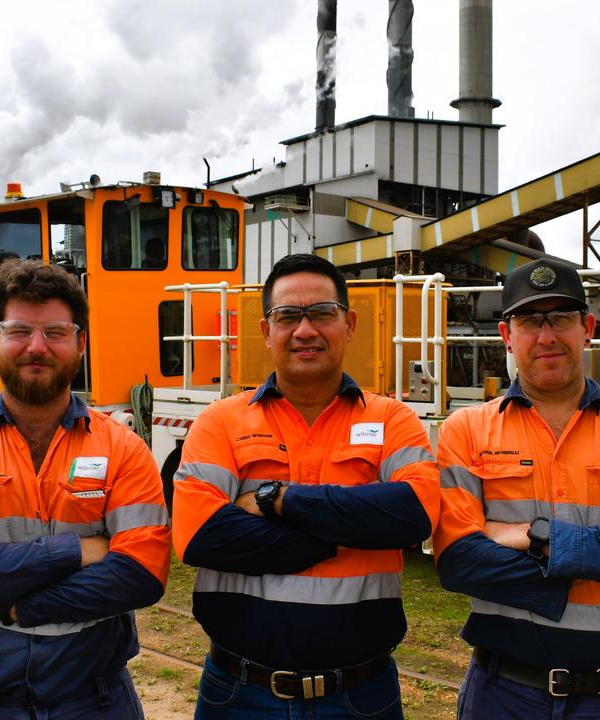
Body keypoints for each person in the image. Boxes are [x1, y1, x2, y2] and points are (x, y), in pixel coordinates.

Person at [172, 253, 440, 719]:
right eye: (288, 316)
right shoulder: (220, 421)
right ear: (266, 330)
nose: (305, 330)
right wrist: (350, 530)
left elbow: (412, 515)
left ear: (349, 323)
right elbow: (199, 538)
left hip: (361, 693)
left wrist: (274, 499)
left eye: (321, 314)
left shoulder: (392, 419)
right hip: (239, 692)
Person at [0, 260, 170, 719]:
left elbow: (140, 576)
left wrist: (14, 608)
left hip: (94, 701)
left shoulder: (123, 449)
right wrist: (77, 552)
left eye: (55, 332)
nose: (36, 347)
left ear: (80, 343)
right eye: (19, 331)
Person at [433, 257, 600, 719]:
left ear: (587, 327)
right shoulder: (467, 430)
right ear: (506, 336)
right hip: (502, 695)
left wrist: (532, 536)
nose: (547, 335)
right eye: (530, 320)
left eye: (562, 318)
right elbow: (459, 564)